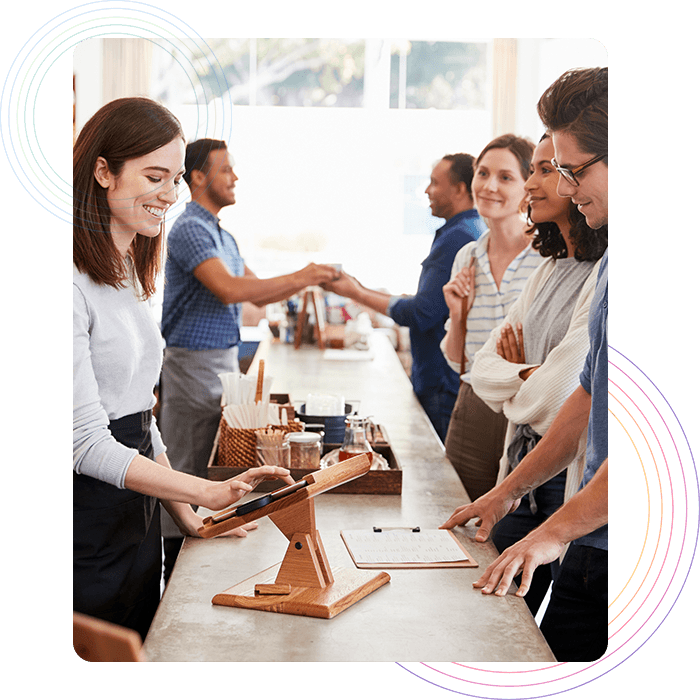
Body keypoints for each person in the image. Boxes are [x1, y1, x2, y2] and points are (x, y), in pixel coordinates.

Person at [73, 98, 294, 640]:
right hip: (87, 516)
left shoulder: (125, 268)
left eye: (174, 180)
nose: (169, 196)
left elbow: (140, 416)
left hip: (137, 515)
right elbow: (83, 443)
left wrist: (187, 514)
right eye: (154, 176)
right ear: (102, 171)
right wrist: (202, 489)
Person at [441, 67, 608, 662]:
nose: (561, 183)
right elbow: (584, 401)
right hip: (590, 537)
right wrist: (505, 494)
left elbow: (568, 393)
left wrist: (549, 532)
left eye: (571, 169)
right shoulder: (579, 269)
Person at [159, 139, 339, 577]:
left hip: (219, 360)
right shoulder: (190, 229)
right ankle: (172, 571)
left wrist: (306, 281)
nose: (235, 177)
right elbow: (232, 290)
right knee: (184, 462)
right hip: (191, 364)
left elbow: (256, 292)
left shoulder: (221, 233)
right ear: (197, 176)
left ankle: (201, 556)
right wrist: (304, 275)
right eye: (226, 169)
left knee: (209, 460)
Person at [468, 133, 608, 615]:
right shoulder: (550, 270)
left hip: (572, 489)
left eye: (552, 169)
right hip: (531, 467)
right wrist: (531, 374)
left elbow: (561, 395)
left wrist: (524, 378)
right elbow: (481, 371)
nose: (536, 182)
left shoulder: (600, 272)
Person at [324, 154, 487, 442]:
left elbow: (422, 312)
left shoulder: (457, 238)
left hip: (440, 381)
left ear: (462, 189)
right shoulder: (469, 230)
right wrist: (360, 289)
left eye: (435, 183)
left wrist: (356, 293)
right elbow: (432, 303)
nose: (426, 191)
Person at [440, 135, 541, 499]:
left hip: (530, 407)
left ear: (529, 188)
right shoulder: (467, 256)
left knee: (514, 529)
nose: (489, 186)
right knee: (457, 513)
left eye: (505, 177)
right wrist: (458, 315)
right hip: (474, 407)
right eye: (483, 174)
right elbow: (457, 361)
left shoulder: (549, 256)